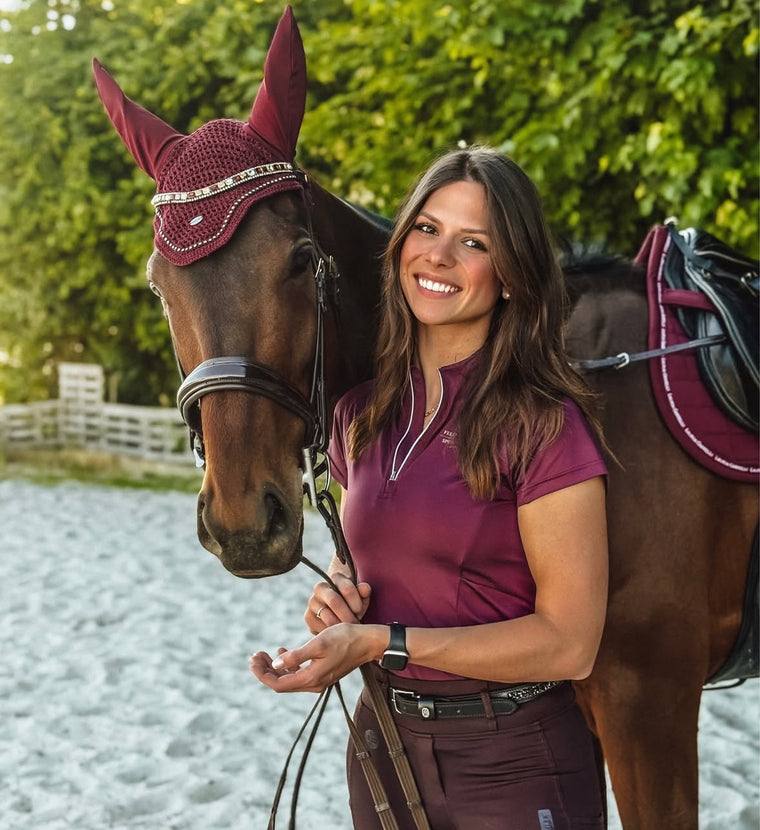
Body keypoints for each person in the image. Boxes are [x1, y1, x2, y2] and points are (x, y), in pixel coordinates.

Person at [251, 146, 609, 830]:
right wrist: (337, 608)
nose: (438, 256)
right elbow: (369, 563)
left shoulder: (544, 425)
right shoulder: (357, 415)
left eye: (474, 242)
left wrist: (380, 643)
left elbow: (571, 643)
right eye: (426, 228)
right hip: (383, 747)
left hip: (514, 759)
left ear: (511, 276)